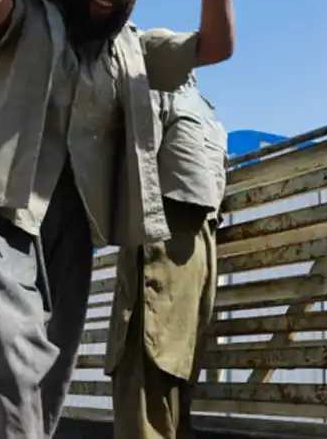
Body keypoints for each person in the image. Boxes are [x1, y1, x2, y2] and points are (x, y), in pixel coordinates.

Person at [0, 0, 236, 439]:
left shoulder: (134, 47)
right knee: (11, 355)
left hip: (76, 221)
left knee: (52, 369)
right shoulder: (31, 18)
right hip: (4, 208)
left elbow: (217, 44)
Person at [105, 74, 228, 439]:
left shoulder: (158, 91)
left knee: (141, 374)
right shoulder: (208, 114)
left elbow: (131, 167)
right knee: (174, 374)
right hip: (200, 249)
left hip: (160, 241)